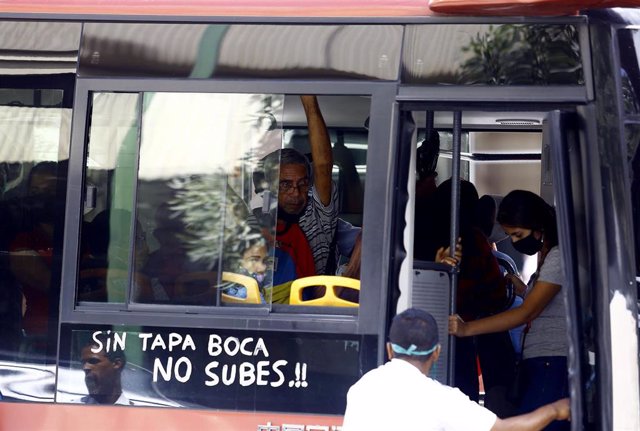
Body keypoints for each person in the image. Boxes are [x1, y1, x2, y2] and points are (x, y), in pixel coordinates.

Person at [449, 190, 568, 431]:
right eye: (510, 236)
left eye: (517, 234)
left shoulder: (558, 257)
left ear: (537, 225)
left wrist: (466, 328)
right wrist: (525, 290)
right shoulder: (550, 255)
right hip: (540, 360)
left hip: (551, 360)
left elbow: (527, 313)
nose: (514, 242)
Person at [343, 308, 570, 431]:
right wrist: (555, 410)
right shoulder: (441, 398)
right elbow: (503, 429)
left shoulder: (361, 388)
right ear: (436, 353)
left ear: (390, 350)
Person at [258, 95, 338, 299]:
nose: (295, 192)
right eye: (285, 185)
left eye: (302, 184)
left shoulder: (318, 216)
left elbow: (323, 166)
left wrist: (309, 101)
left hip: (308, 310)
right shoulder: (258, 219)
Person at [78, 334, 132, 405]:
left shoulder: (138, 413)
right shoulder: (72, 409)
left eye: (93, 361)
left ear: (116, 364)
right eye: (83, 363)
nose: (85, 367)